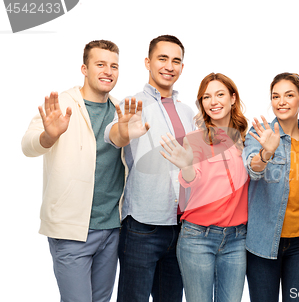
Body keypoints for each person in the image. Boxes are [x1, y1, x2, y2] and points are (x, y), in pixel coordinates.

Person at [21, 40, 123, 302]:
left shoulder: (120, 110)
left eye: (113, 66)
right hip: (71, 232)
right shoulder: (63, 104)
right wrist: (48, 136)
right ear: (84, 68)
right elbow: (28, 146)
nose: (108, 71)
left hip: (111, 229)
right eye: (100, 64)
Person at [104, 35, 196, 302]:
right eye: (162, 58)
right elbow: (113, 136)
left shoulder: (188, 112)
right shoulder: (133, 104)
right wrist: (123, 131)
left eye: (176, 60)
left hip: (180, 226)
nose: (169, 66)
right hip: (142, 226)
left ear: (182, 67)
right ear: (148, 62)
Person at [159, 73, 249, 302]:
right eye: (206, 97)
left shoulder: (247, 139)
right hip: (198, 237)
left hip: (237, 239)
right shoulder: (196, 139)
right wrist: (186, 166)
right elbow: (191, 179)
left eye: (220, 94)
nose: (213, 101)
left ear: (232, 98)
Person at [243, 72, 299, 302]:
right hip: (263, 241)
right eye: (276, 96)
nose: (281, 101)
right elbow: (253, 169)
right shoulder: (259, 134)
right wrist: (266, 152)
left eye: (289, 95)